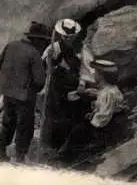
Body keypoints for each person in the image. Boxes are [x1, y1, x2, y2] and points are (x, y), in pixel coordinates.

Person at [0, 22, 51, 163]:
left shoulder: (11, 45)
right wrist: (32, 89)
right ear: (37, 39)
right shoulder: (34, 53)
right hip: (24, 96)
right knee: (24, 125)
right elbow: (39, 80)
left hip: (7, 91)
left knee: (8, 121)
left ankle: (1, 152)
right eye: (43, 41)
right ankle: (20, 155)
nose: (43, 44)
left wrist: (9, 78)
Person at [40, 18, 96, 150]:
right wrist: (49, 61)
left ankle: (74, 148)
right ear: (61, 35)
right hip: (57, 89)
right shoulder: (53, 48)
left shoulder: (82, 49)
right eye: (65, 37)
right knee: (56, 116)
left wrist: (82, 82)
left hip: (75, 86)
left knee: (77, 115)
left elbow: (87, 69)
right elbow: (45, 69)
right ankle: (52, 147)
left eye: (71, 37)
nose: (68, 39)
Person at [55, 60, 126, 162]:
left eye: (96, 72)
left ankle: (66, 156)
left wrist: (93, 122)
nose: (93, 74)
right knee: (79, 127)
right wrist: (93, 112)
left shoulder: (108, 94)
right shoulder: (107, 90)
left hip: (109, 125)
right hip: (107, 121)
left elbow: (104, 115)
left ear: (101, 76)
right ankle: (67, 152)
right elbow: (102, 108)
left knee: (79, 131)